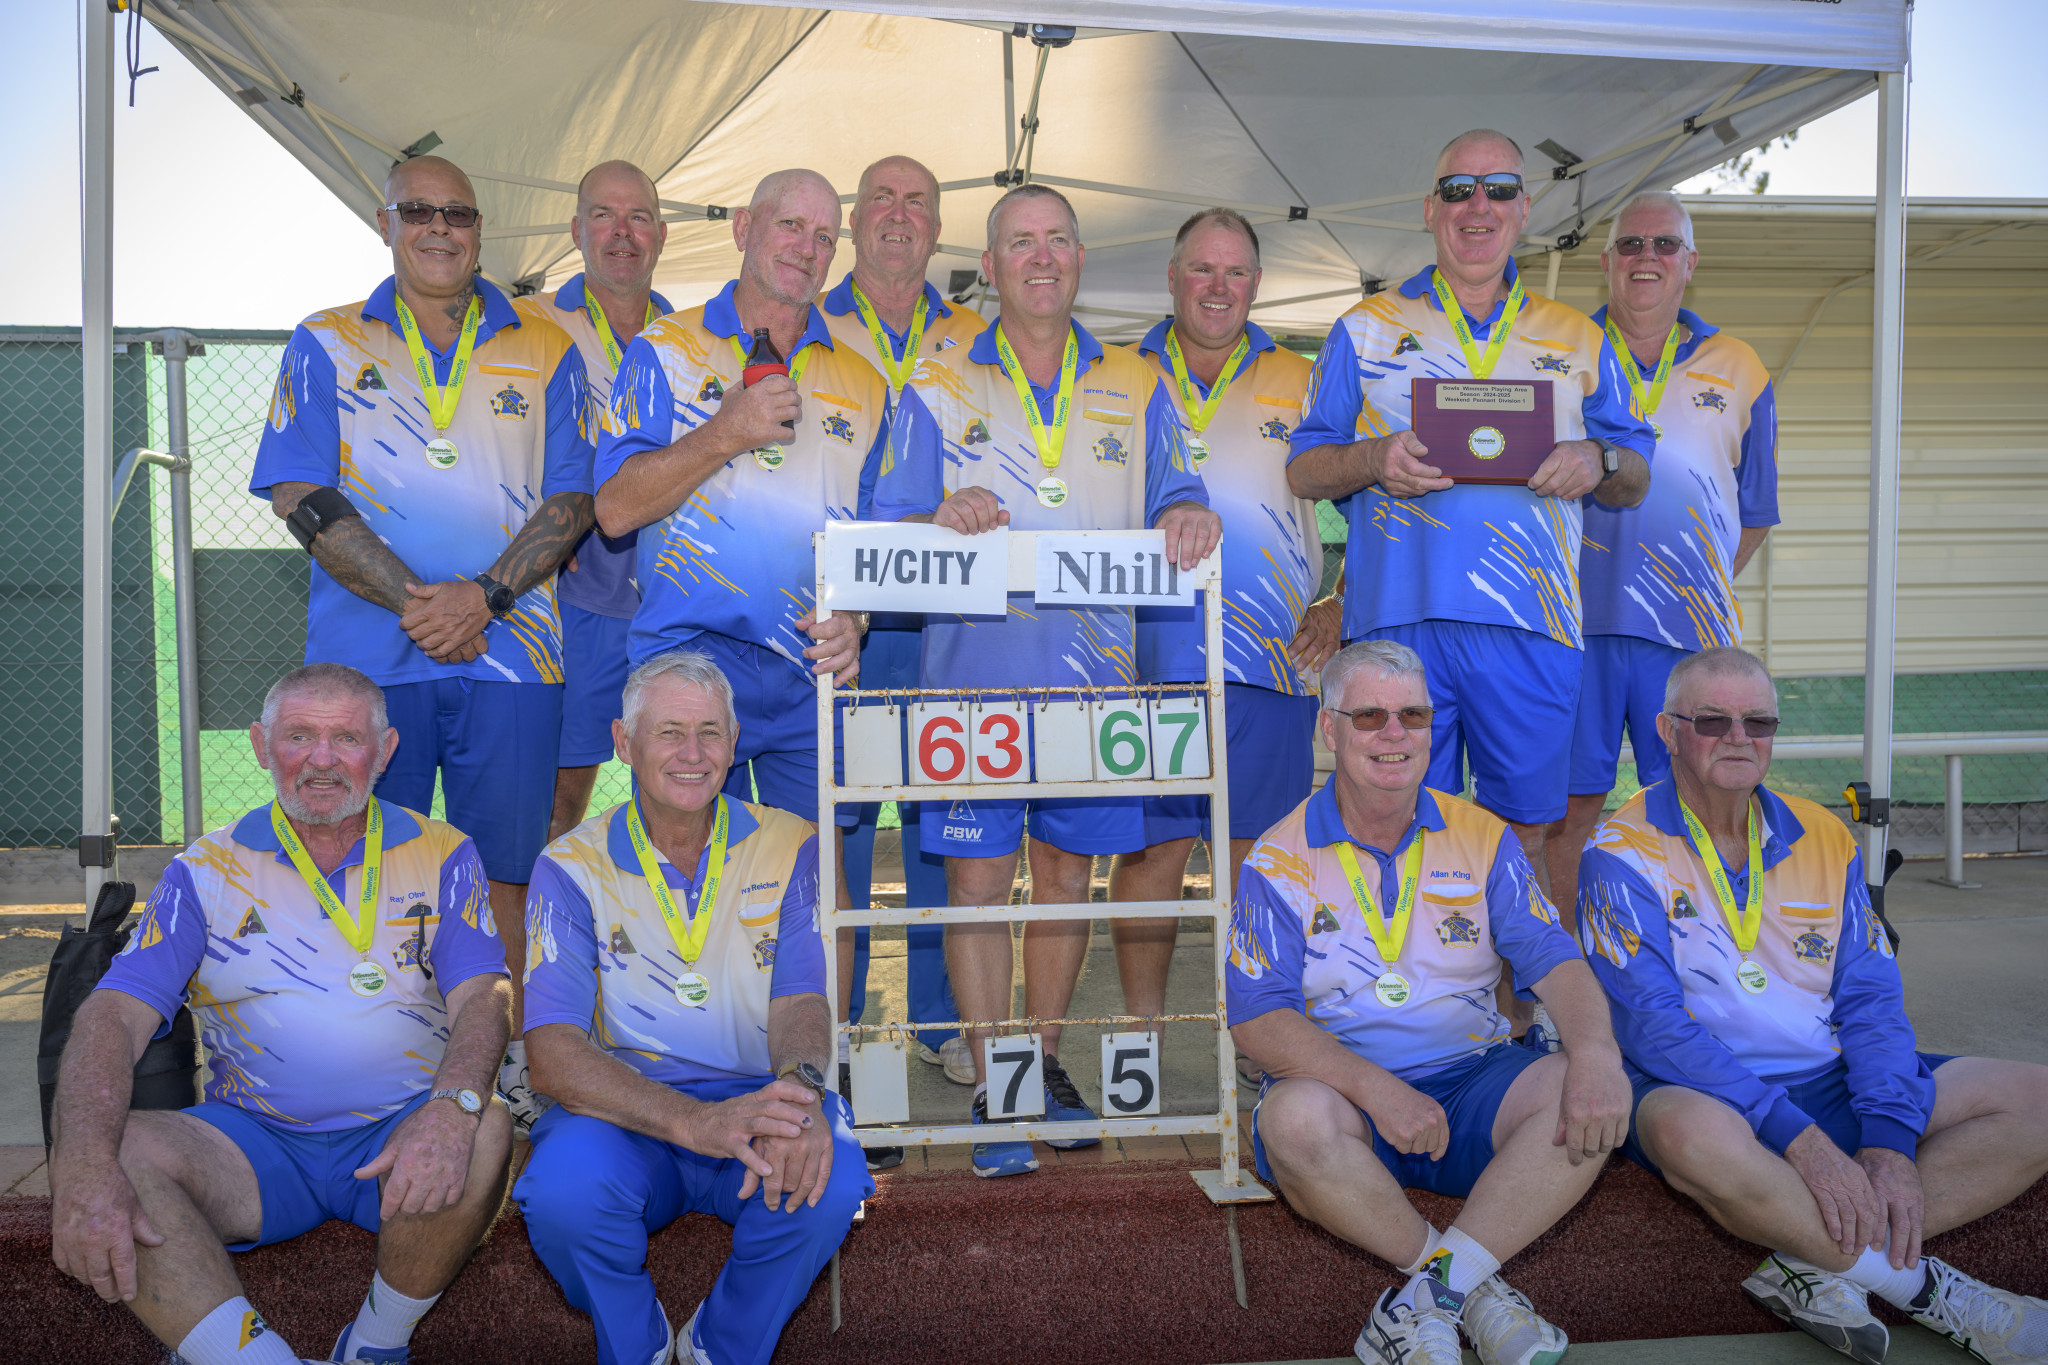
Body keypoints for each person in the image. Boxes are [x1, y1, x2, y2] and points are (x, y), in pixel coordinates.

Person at [873, 183, 1221, 1177]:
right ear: (988, 267)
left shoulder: (1135, 377)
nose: (1039, 257)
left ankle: (1044, 1063)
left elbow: (1177, 491)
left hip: (1090, 690)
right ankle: (996, 1082)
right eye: (1018, 243)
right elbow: (887, 517)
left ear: (1079, 258)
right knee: (981, 883)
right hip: (972, 689)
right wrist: (937, 512)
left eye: (1057, 240)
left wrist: (1189, 512)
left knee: (1065, 874)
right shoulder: (938, 378)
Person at [1579, 646, 2048, 1365]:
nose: (1740, 737)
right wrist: (1800, 1137)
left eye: (1758, 721)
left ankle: (1809, 1260)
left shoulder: (1826, 834)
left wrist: (1888, 1138)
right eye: (1713, 721)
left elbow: (1870, 997)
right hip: (1705, 1092)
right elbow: (1654, 1028)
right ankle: (1931, 1290)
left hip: (1822, 1073)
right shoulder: (1617, 848)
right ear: (1667, 731)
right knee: (1688, 1136)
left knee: (2037, 1098)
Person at [252, 155, 594, 1123]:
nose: (439, 227)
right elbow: (299, 494)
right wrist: (423, 602)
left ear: (480, 228)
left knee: (506, 877)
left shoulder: (545, 344)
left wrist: (482, 598)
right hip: (370, 666)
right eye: (419, 211)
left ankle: (516, 1070)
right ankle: (370, 1061)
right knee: (360, 861)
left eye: (458, 212)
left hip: (515, 657)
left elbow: (574, 499)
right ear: (385, 220)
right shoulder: (326, 340)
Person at [48, 664, 513, 1365]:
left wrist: (450, 1106)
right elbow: (111, 1016)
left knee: (484, 1125)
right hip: (253, 1143)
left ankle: (374, 1346)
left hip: (398, 1132)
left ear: (384, 750)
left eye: (345, 738)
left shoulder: (445, 852)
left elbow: (485, 995)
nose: (322, 759)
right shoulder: (204, 869)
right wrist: (80, 1165)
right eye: (300, 735)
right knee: (106, 1150)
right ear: (263, 746)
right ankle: (250, 1358)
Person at [595, 167, 891, 1163]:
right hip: (693, 664)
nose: (807, 246)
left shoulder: (860, 377)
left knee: (823, 888)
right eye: (789, 225)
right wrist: (722, 431)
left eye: (824, 232)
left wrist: (858, 615)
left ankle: (819, 1097)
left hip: (809, 670)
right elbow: (616, 506)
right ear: (741, 228)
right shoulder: (667, 350)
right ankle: (679, 1094)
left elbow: (884, 540)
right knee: (689, 883)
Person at [1228, 639, 1632, 1365]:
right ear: (1329, 728)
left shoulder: (1482, 835)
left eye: (1412, 715)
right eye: (1371, 715)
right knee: (1293, 1120)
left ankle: (1427, 1300)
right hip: (1347, 1092)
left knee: (1589, 1089)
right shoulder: (1277, 858)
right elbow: (1258, 1017)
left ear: (1431, 726)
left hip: (1475, 1080)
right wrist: (1376, 1089)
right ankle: (1476, 1294)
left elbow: (1556, 960)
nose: (1394, 733)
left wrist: (1599, 1052)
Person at [1286, 129, 1654, 901]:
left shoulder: (1581, 336)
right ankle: (1411, 1015)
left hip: (1532, 626)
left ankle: (1514, 1017)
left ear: (1524, 209)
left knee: (1523, 838)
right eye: (1458, 189)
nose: (1476, 205)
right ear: (1430, 209)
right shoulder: (1365, 328)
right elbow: (1305, 466)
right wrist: (1371, 458)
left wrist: (1600, 459)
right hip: (1398, 628)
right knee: (1392, 824)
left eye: (1497, 189)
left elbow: (1635, 472)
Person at [517, 651, 869, 1365]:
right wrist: (694, 1121)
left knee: (827, 1178)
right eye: (670, 731)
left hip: (756, 1094)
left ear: (735, 746)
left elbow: (804, 998)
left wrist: (797, 1090)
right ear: (624, 743)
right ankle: (636, 1342)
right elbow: (551, 1053)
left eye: (711, 732)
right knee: (560, 1194)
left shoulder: (790, 840)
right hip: (629, 1113)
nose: (692, 753)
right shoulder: (568, 864)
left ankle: (723, 1344)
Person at [1111, 207, 1342, 1030]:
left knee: (1257, 864)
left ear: (1256, 284)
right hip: (1144, 660)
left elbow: (1374, 499)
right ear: (1171, 278)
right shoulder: (1113, 372)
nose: (1218, 287)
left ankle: (1257, 1045)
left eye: (1236, 272)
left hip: (1270, 664)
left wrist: (1343, 599)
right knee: (1150, 860)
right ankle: (1141, 1038)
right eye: (1201, 269)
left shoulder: (1307, 376)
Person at [1545, 190, 1779, 927]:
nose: (1648, 257)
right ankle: (1567, 975)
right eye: (1632, 245)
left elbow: (1754, 515)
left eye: (1665, 245)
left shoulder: (1739, 367)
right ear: (1609, 262)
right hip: (1570, 630)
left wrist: (1686, 583)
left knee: (1693, 800)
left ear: (1690, 263)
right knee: (1568, 807)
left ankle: (1696, 960)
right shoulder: (1562, 352)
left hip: (1689, 641)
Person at [817, 154, 983, 1091]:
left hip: (947, 620)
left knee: (938, 823)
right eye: (880, 197)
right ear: (851, 221)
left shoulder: (975, 335)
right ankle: (833, 1027)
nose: (898, 213)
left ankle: (937, 1019)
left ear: (937, 225)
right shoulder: (810, 320)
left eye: (918, 199)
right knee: (837, 823)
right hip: (843, 622)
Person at [521, 160, 676, 844]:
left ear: (662, 234)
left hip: (677, 595)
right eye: (606, 216)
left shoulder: (693, 335)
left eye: (638, 217)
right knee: (559, 800)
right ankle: (546, 944)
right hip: (574, 602)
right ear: (577, 229)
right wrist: (547, 550)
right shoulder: (531, 325)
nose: (622, 233)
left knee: (683, 787)